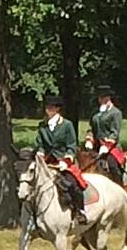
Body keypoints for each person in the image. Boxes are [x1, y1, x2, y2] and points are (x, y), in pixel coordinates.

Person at [35, 95, 88, 225]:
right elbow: (40, 145)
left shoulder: (67, 125)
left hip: (63, 162)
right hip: (47, 162)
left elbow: (71, 146)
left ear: (57, 109)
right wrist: (40, 155)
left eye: (51, 107)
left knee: (73, 185)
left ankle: (79, 211)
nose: (49, 110)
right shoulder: (42, 126)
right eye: (47, 107)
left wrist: (66, 160)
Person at [85, 84, 125, 181]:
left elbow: (115, 132)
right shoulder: (95, 113)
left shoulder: (116, 113)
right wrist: (89, 139)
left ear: (109, 98)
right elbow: (91, 128)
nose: (101, 100)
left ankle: (119, 186)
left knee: (112, 165)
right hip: (96, 146)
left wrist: (106, 146)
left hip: (111, 147)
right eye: (100, 98)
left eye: (104, 98)